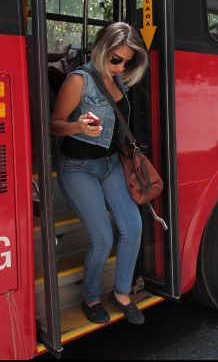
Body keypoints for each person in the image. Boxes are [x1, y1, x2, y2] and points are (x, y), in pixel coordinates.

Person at [51, 22, 149, 326]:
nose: (120, 66)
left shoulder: (119, 82)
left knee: (133, 226)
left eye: (127, 61)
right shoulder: (79, 80)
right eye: (115, 59)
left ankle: (121, 294)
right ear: (102, 49)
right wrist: (78, 127)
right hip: (78, 167)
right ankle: (91, 297)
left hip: (109, 165)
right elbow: (54, 123)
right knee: (102, 239)